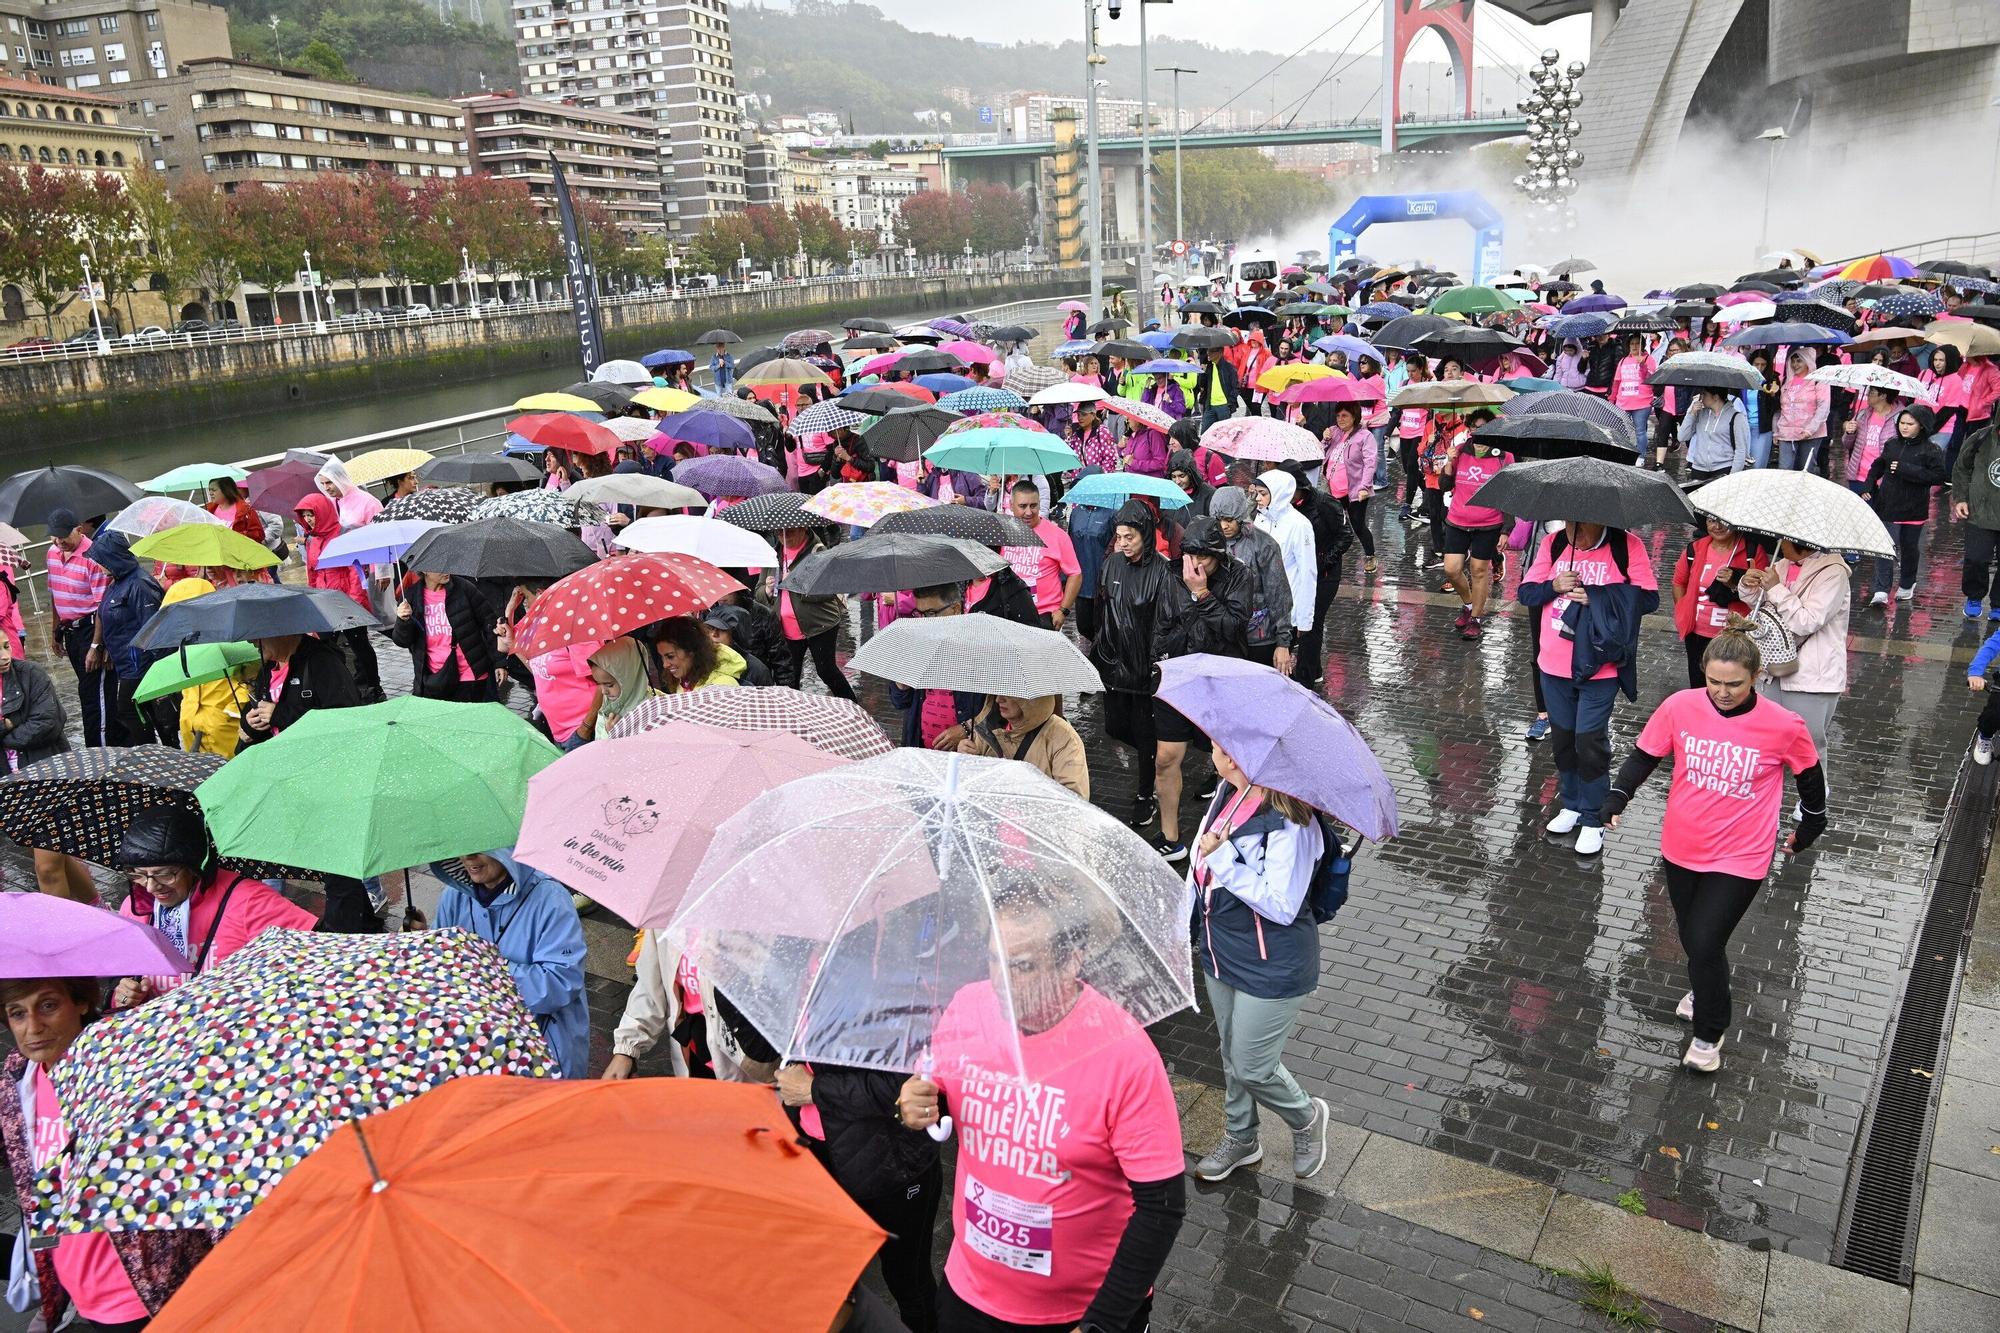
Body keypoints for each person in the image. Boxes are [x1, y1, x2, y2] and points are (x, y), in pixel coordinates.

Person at [895, 892, 1187, 1333]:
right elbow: (937, 1096)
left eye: (1023, 966)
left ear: (1071, 961)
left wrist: (1103, 1323)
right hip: (970, 1295)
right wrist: (916, 1107)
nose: (1002, 982)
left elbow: (1161, 1206)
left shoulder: (1125, 1055)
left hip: (1080, 1313)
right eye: (995, 960)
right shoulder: (968, 1008)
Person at [1602, 632, 1827, 1072]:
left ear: (1756, 678)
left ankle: (1709, 1032)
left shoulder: (1784, 725)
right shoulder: (1679, 706)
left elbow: (1809, 777)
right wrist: (1618, 796)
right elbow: (1645, 756)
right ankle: (1705, 986)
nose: (1723, 693)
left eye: (1735, 684)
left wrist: (1811, 825)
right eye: (1714, 682)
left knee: (1704, 940)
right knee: (1695, 939)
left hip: (1743, 854)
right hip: (1682, 845)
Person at [3, 976, 213, 1331]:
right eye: (17, 1014)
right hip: (75, 1287)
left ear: (81, 1003)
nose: (33, 1027)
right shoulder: (19, 1081)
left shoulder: (132, 1070)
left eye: (49, 1005)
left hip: (144, 1293)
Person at [1184, 740, 1333, 1182]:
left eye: (1214, 745)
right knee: (1231, 1052)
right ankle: (1241, 1136)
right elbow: (1200, 867)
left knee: (1253, 1065)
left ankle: (1305, 1117)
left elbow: (1282, 905)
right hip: (1220, 948)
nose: (1209, 749)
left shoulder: (1293, 820)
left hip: (1273, 964)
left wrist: (1223, 857)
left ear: (1235, 756)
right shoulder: (1228, 792)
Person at [1518, 521, 1659, 857]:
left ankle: (1594, 817)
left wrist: (1596, 595)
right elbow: (1526, 593)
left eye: (1582, 522)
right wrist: (1553, 586)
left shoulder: (1627, 545)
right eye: (1568, 519)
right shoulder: (1552, 543)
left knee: (1589, 741)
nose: (1575, 529)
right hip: (1553, 665)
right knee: (1564, 739)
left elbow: (1649, 599)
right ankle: (1572, 803)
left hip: (1600, 665)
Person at [112, 806, 318, 1006]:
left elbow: (313, 958)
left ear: (193, 866)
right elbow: (122, 981)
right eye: (138, 874)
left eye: (165, 874)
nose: (150, 887)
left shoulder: (250, 902)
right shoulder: (134, 908)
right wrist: (125, 996)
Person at [429, 848, 590, 1079]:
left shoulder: (551, 900)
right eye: (462, 846)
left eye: (480, 846)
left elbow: (560, 982)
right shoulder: (453, 896)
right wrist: (422, 941)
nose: (468, 856)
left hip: (543, 1048)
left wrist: (482, 966)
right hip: (476, 1048)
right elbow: (442, 966)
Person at [1151, 517, 1251, 861]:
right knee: (1166, 757)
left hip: (1220, 678)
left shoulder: (1239, 576)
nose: (1193, 565)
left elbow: (1233, 627)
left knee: (1226, 758)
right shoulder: (1170, 573)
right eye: (1189, 556)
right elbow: (1162, 624)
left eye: (1202, 557)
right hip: (1178, 676)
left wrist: (1201, 593)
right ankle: (1170, 836)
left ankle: (1228, 832)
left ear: (1218, 555)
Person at [1089, 500, 1182, 828]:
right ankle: (1155, 751)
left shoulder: (1163, 571)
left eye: (1129, 536)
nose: (1121, 543)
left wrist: (1156, 667)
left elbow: (1166, 624)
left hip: (1144, 671)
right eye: (1118, 537)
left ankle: (1146, 792)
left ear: (1145, 533)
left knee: (1144, 735)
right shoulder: (1112, 564)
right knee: (1115, 726)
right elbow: (1102, 608)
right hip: (1113, 665)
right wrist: (1100, 650)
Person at [1737, 538, 1851, 778]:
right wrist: (1750, 587)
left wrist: (1776, 589)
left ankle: (1814, 800)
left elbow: (1807, 622)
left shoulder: (1834, 574)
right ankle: (1761, 792)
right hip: (1772, 666)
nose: (1778, 542)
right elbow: (1763, 609)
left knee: (1808, 744)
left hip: (1810, 675)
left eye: (1784, 539)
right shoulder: (1782, 565)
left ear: (1802, 542)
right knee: (1764, 737)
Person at [86, 526, 173, 747]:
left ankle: (156, 752)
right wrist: (101, 645)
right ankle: (154, 752)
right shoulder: (115, 582)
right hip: (125, 663)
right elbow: (106, 615)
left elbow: (153, 627)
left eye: (101, 560)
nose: (98, 565)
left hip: (140, 665)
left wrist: (156, 670)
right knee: (140, 712)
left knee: (130, 710)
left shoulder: (139, 584)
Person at [293, 492, 384, 704]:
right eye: (304, 516)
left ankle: (373, 685)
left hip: (346, 600)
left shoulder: (343, 534)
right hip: (325, 601)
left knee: (359, 645)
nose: (308, 520)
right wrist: (314, 598)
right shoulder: (312, 541)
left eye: (311, 514)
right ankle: (338, 685)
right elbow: (312, 572)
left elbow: (355, 570)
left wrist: (353, 603)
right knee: (325, 646)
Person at [1860, 403, 1949, 606]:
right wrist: (1868, 485)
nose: (1904, 427)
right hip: (1888, 506)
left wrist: (1906, 469)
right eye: (1902, 423)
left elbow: (1938, 476)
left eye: (1910, 423)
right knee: (1886, 548)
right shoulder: (1892, 444)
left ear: (1922, 426)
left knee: (1909, 549)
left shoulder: (1931, 450)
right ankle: (1881, 590)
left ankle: (1907, 584)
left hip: (1914, 509)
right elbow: (1879, 465)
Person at [158, 577, 252, 756]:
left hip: (226, 730)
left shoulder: (233, 637)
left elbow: (252, 678)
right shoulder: (185, 643)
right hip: (192, 729)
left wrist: (230, 713)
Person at [44, 510, 113, 748]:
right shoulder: (53, 553)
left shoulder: (93, 556)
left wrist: (97, 645)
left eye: (64, 536)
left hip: (91, 629)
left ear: (80, 529)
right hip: (69, 630)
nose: (58, 541)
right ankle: (97, 746)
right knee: (86, 691)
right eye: (54, 536)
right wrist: (55, 631)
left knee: (94, 694)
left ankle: (100, 749)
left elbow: (102, 606)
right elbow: (54, 593)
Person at [1672, 516, 1766, 689]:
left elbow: (1761, 594)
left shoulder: (1751, 551)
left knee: (1732, 685)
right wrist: (1682, 610)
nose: (1717, 526)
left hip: (1736, 635)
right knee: (1699, 684)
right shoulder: (1695, 549)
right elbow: (1679, 582)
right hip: (1698, 633)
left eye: (1723, 521)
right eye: (1711, 521)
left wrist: (1735, 581)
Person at [1208, 487, 1294, 675]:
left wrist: (1283, 642)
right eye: (1219, 520)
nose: (1223, 526)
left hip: (1259, 639)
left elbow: (1279, 595)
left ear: (1239, 516)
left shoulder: (1264, 544)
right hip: (1222, 638)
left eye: (1229, 520)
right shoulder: (1209, 542)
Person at [768, 524, 857, 700]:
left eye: (789, 530)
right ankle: (792, 715)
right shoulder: (773, 555)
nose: (783, 536)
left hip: (819, 624)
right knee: (789, 677)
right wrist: (767, 591)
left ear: (803, 529)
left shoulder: (818, 552)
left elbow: (829, 590)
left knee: (826, 671)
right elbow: (759, 592)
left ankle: (853, 706)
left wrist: (796, 583)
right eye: (779, 532)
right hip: (787, 627)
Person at [1439, 428, 1512, 641]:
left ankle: (1476, 619)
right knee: (1451, 570)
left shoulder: (1504, 456)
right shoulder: (1460, 451)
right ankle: (1469, 604)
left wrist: (1506, 530)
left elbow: (1508, 493)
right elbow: (1444, 486)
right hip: (1458, 521)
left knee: (1479, 571)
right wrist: (1449, 463)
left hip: (1488, 524)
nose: (1479, 439)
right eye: (1475, 432)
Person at [1248, 471, 1317, 679]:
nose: (1258, 499)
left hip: (1287, 610)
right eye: (1257, 493)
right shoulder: (1258, 519)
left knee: (1281, 668)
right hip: (1260, 609)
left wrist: (1303, 619)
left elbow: (1307, 573)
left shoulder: (1299, 525)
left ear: (1277, 494)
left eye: (1262, 494)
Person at [391, 570, 498, 702]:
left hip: (469, 674)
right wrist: (403, 621)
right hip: (433, 677)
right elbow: (402, 641)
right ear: (424, 570)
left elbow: (490, 623)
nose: (445, 571)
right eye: (438, 567)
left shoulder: (464, 588)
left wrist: (500, 662)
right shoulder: (411, 597)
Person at [957, 694, 1090, 798]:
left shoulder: (1063, 738)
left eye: (1008, 693)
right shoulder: (987, 728)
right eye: (997, 692)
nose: (998, 699)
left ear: (1032, 699)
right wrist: (967, 760)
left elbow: (1074, 798)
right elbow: (970, 788)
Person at [1000, 482, 1083, 629]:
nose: (1028, 512)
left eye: (1033, 505)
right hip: (1009, 614)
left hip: (1043, 615)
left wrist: (1063, 611)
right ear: (1011, 505)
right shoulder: (1002, 533)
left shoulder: (1057, 536)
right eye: (1022, 506)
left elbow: (1075, 574)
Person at [1319, 403, 1377, 574]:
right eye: (1338, 416)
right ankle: (1330, 554)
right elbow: (1320, 453)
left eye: (1344, 416)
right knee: (1330, 523)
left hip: (1354, 491)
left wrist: (1364, 487)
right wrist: (1325, 439)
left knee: (1358, 525)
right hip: (1332, 489)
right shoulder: (1334, 432)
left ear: (1354, 416)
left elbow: (1370, 463)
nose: (1340, 420)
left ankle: (1370, 555)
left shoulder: (1365, 436)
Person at [1952, 421, 2000, 620]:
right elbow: (1961, 467)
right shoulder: (1981, 437)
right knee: (1976, 558)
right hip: (1980, 511)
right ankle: (1974, 596)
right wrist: (1961, 497)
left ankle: (1998, 603)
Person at [579, 638, 659, 742]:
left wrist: (615, 737)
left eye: (609, 685)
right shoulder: (607, 705)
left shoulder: (650, 709)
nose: (603, 691)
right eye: (599, 684)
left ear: (629, 677)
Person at [1775, 349, 1830, 472]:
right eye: (1793, 361)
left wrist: (1810, 430)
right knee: (1784, 470)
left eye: (1799, 361)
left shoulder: (1818, 380)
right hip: (1787, 433)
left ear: (1807, 361)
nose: (1795, 365)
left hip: (1810, 434)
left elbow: (1823, 408)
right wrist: (1776, 431)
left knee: (1805, 471)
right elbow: (1780, 409)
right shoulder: (1786, 381)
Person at [1680, 388, 1750, 481]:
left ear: (1715, 397)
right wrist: (1691, 413)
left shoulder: (1736, 417)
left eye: (1704, 394)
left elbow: (1741, 450)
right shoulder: (1700, 414)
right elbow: (1682, 436)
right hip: (1699, 468)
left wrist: (1732, 477)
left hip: (1723, 469)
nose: (1701, 398)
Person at [698, 606, 775, 685]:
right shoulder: (700, 661)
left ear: (736, 634)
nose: (714, 634)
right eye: (710, 628)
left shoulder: (757, 671)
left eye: (722, 629)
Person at [1610, 333, 1658, 455]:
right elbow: (1617, 382)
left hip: (1642, 403)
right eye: (1632, 343)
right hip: (1623, 402)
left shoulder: (1649, 359)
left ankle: (1641, 456)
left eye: (1637, 343)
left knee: (1640, 431)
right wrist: (1612, 399)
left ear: (1642, 345)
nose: (1635, 346)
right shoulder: (1623, 360)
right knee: (1621, 430)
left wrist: (1643, 366)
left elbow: (1651, 380)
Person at [315, 458, 382, 529]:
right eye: (322, 484)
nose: (326, 488)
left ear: (341, 479)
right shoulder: (329, 503)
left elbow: (380, 530)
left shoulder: (368, 501)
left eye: (329, 482)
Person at [206, 476, 265, 545]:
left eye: (214, 490)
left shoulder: (246, 510)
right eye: (209, 490)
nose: (210, 493)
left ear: (226, 490)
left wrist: (238, 536)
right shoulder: (209, 511)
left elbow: (259, 535)